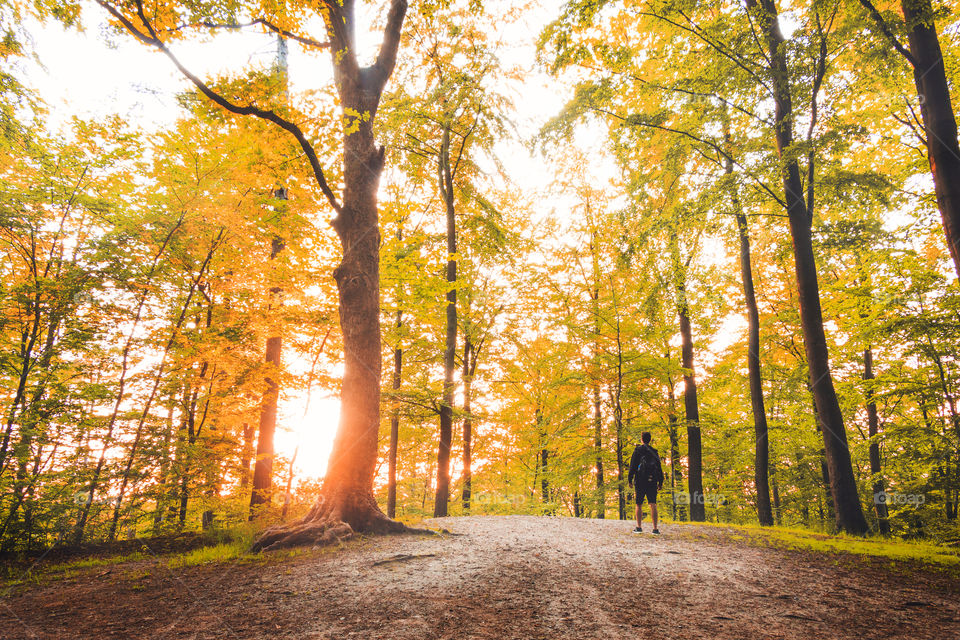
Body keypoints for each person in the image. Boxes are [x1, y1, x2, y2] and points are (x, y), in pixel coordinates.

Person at [628, 431, 664, 534]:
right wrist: (660, 482)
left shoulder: (638, 450)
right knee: (653, 503)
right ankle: (655, 529)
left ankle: (639, 527)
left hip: (640, 480)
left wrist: (630, 479)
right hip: (652, 480)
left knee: (638, 503)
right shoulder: (654, 451)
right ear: (650, 439)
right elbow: (659, 467)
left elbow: (633, 466)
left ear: (642, 439)